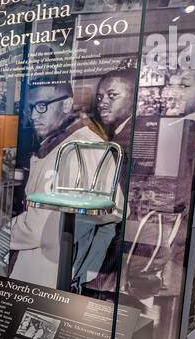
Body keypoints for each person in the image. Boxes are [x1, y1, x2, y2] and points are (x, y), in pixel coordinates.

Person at [9, 78, 120, 291]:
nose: (33, 116)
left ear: (67, 105)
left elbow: (37, 229)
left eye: (41, 107)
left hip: (50, 269)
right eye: (31, 108)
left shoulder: (77, 149)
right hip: (56, 264)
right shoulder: (73, 143)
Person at [94, 65, 136, 160]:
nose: (101, 104)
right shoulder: (118, 132)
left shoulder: (134, 136)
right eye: (99, 98)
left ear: (133, 98)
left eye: (112, 95)